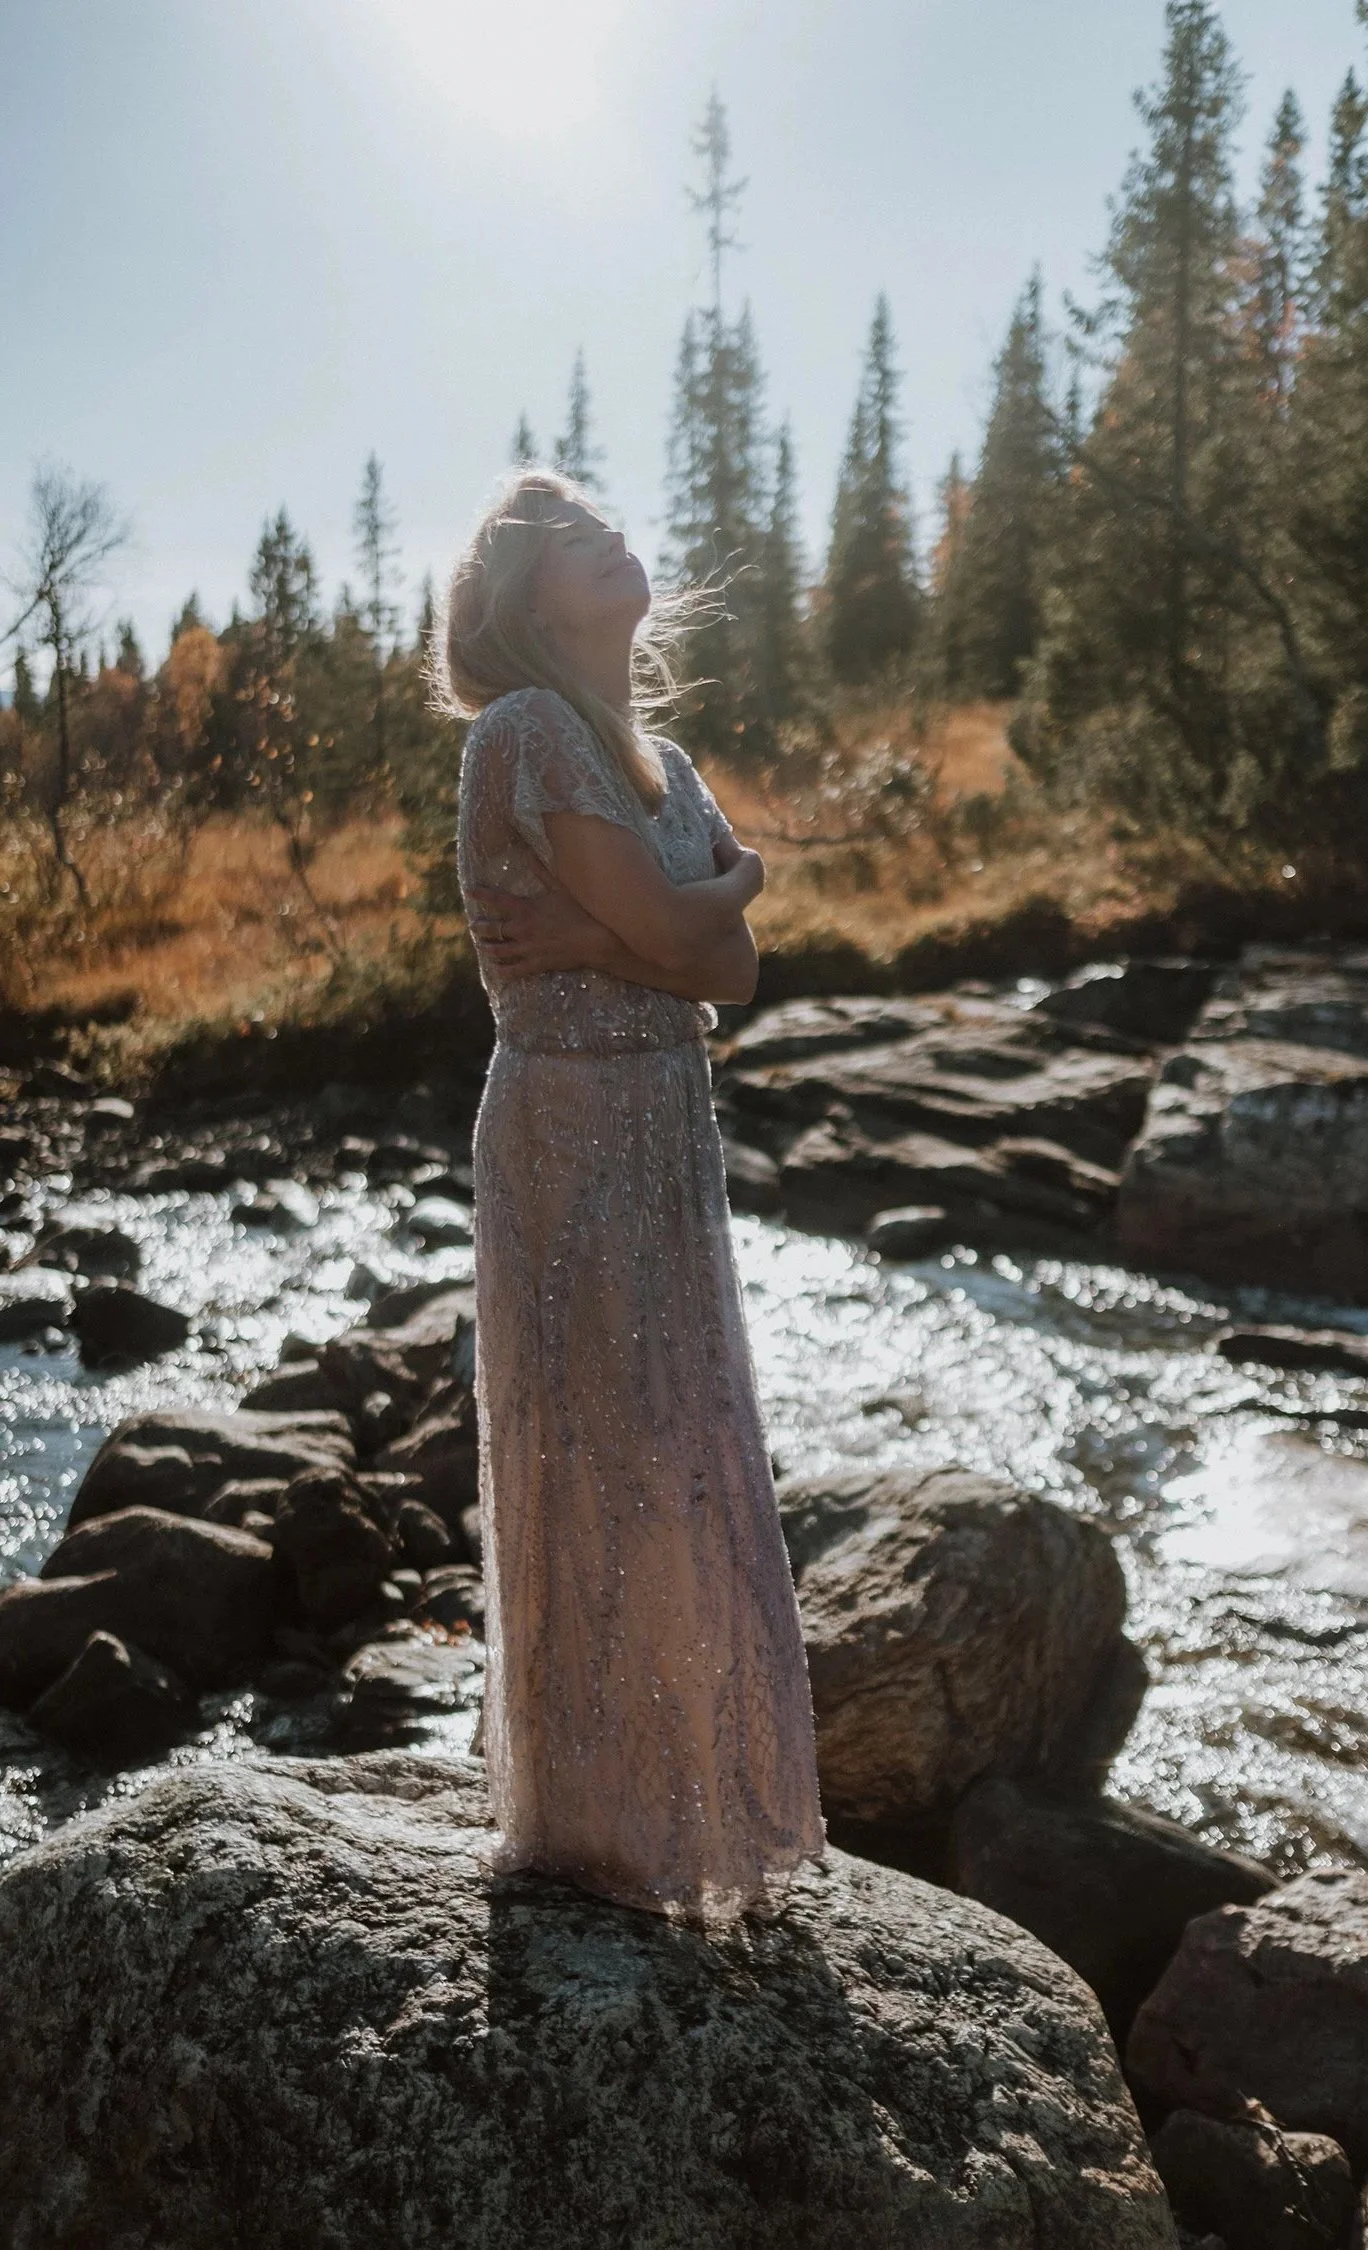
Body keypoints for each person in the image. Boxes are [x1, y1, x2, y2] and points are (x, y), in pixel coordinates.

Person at [432, 469, 826, 1923]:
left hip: (666, 1123)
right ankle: (597, 1825)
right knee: (596, 1456)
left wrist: (681, 922)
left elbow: (725, 977)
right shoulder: (527, 728)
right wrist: (732, 889)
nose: (615, 539)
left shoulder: (661, 760)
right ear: (531, 601)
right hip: (574, 1125)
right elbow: (695, 931)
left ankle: (678, 1807)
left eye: (611, 525)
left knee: (679, 1452)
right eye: (576, 539)